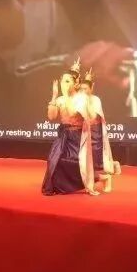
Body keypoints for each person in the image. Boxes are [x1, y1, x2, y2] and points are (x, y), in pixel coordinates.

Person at [42, 59, 99, 196]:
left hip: (77, 136)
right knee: (54, 159)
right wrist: (54, 96)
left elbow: (76, 113)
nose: (64, 84)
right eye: (62, 81)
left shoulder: (81, 98)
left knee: (74, 162)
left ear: (76, 83)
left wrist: (68, 98)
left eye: (67, 81)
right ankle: (58, 186)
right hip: (64, 135)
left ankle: (85, 182)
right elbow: (51, 116)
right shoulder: (60, 100)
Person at [80, 69, 121, 192]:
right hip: (83, 132)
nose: (83, 91)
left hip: (94, 132)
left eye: (85, 89)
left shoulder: (95, 99)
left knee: (95, 159)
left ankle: (106, 178)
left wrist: (86, 103)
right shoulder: (79, 99)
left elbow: (93, 117)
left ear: (91, 89)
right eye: (81, 89)